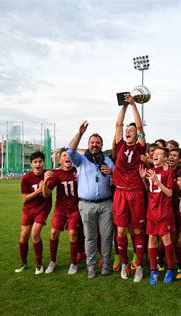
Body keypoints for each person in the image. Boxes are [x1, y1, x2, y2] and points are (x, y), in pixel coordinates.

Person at [67, 123, 115, 279]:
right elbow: (70, 150)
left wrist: (112, 173)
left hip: (106, 203)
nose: (95, 145)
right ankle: (91, 267)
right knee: (90, 237)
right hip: (86, 204)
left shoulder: (107, 161)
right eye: (92, 143)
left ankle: (106, 265)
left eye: (98, 143)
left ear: (102, 145)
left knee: (107, 236)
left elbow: (117, 180)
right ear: (88, 144)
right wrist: (79, 133)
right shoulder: (80, 160)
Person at [112, 94, 147, 282]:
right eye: (127, 129)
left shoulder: (140, 148)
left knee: (138, 231)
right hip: (120, 192)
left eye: (131, 130)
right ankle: (125, 263)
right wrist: (124, 105)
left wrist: (133, 104)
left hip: (136, 193)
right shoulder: (119, 146)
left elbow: (140, 127)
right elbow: (118, 125)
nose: (128, 131)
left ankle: (139, 265)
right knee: (120, 231)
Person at [140, 147, 176, 285]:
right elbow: (149, 190)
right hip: (151, 210)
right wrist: (144, 179)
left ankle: (170, 269)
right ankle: (154, 270)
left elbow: (169, 193)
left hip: (164, 210)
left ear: (165, 158)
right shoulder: (151, 171)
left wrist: (157, 181)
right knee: (151, 239)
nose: (155, 155)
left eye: (159, 154)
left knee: (166, 239)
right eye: (154, 154)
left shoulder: (169, 173)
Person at [42, 148, 81, 275]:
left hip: (75, 209)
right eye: (64, 155)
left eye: (69, 155)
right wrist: (45, 183)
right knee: (53, 233)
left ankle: (73, 263)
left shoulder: (78, 171)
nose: (67, 157)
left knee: (73, 234)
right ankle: (53, 261)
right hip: (60, 209)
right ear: (60, 160)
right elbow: (46, 194)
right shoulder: (56, 174)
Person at [15, 151, 52, 275]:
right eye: (35, 162)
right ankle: (23, 262)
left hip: (42, 209)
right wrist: (39, 190)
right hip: (28, 210)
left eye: (40, 161)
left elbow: (47, 194)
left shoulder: (48, 175)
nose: (38, 164)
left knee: (35, 234)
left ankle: (39, 264)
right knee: (24, 236)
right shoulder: (26, 178)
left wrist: (45, 185)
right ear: (31, 164)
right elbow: (25, 198)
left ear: (44, 162)